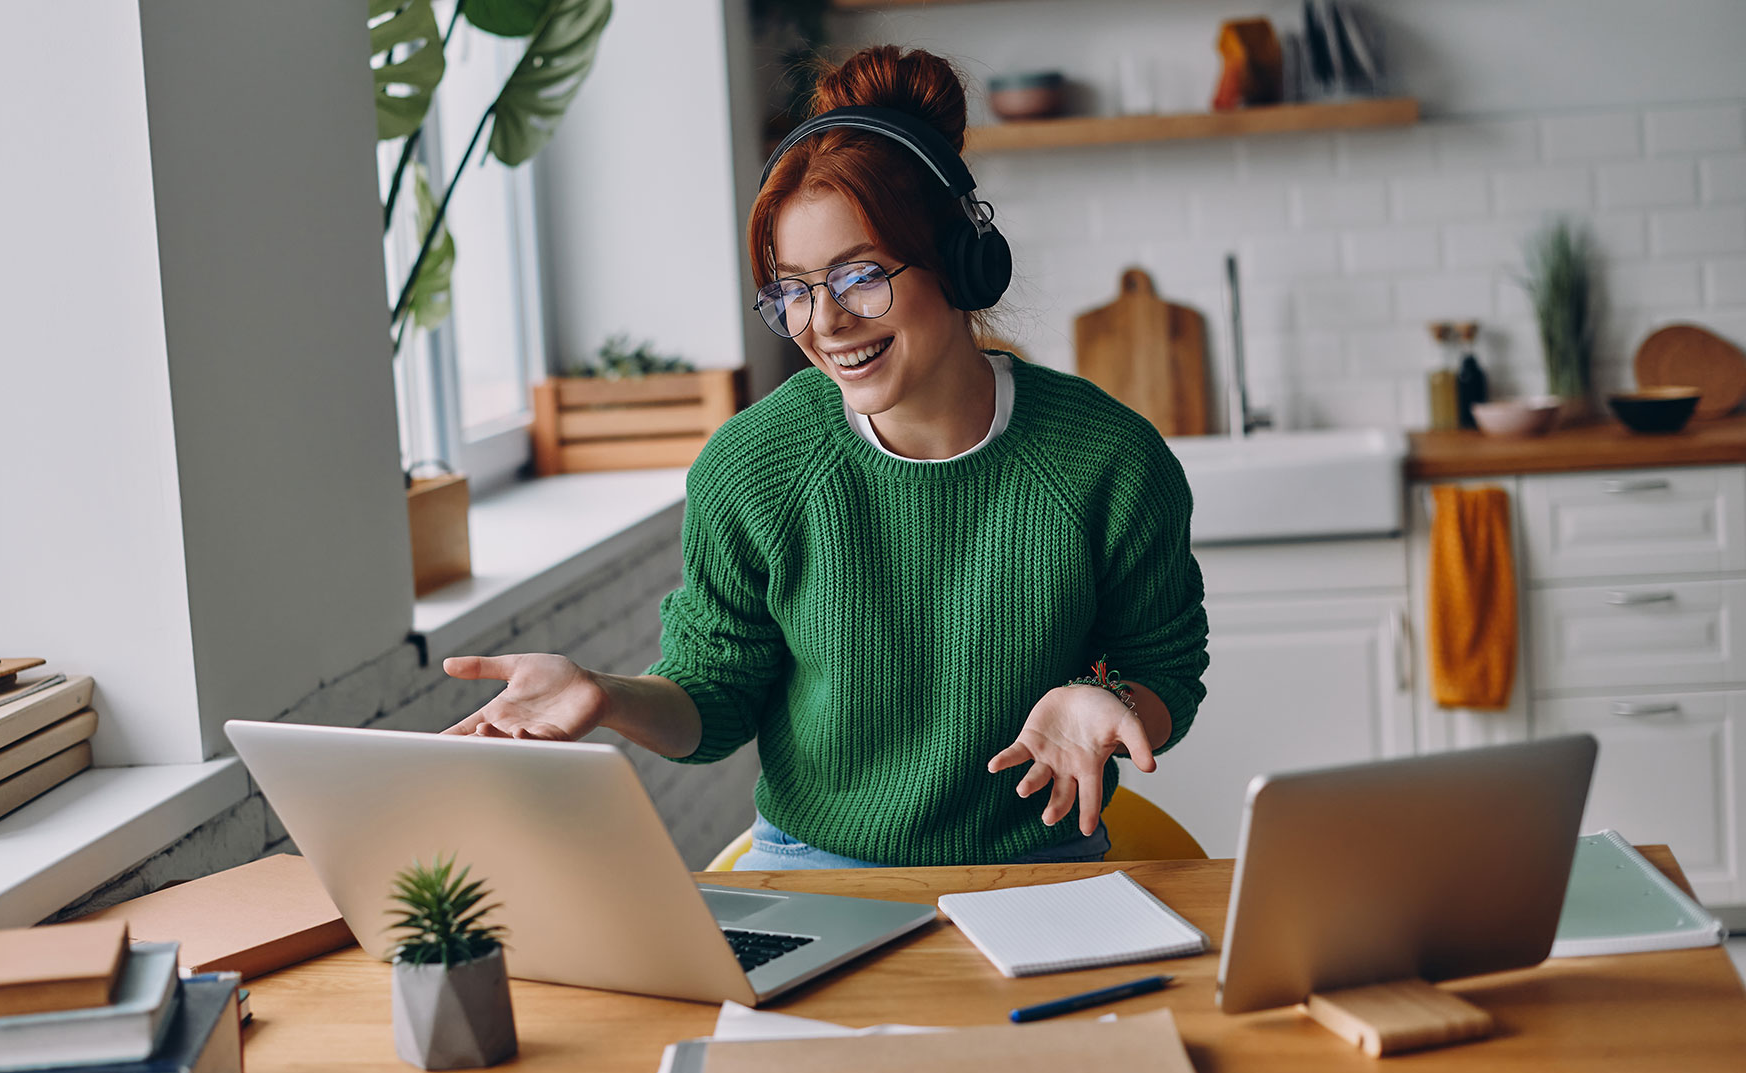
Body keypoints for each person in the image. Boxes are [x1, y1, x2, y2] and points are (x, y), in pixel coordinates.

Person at [441, 45, 1208, 869]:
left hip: (1036, 865)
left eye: (860, 276)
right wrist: (606, 695)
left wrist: (1105, 697)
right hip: (813, 867)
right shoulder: (754, 465)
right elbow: (714, 699)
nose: (826, 323)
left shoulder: (1107, 459)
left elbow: (1164, 669)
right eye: (793, 290)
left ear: (961, 260)